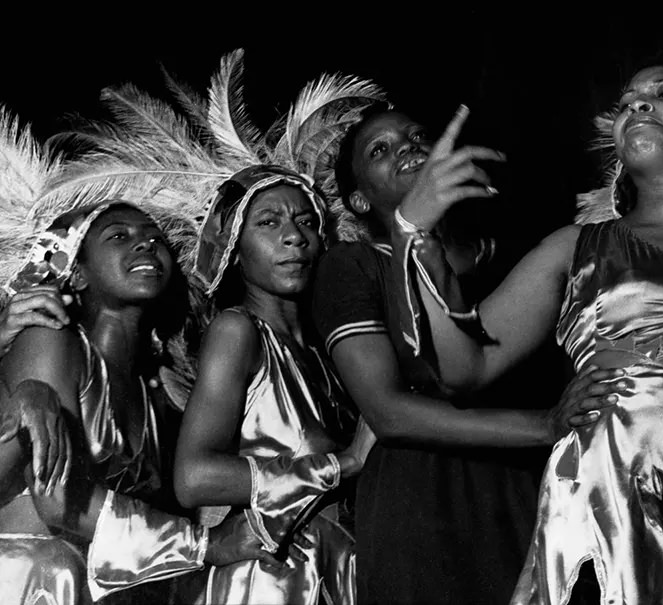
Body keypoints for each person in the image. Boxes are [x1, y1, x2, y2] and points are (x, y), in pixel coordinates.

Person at [389, 43, 663, 603]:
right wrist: (413, 230)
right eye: (628, 101)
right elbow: (466, 368)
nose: (638, 106)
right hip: (612, 485)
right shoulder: (575, 246)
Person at [308, 101, 628, 605]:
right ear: (359, 200)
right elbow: (388, 412)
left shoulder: (525, 258)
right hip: (423, 501)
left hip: (529, 490)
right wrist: (543, 426)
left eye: (417, 136)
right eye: (379, 150)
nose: (407, 148)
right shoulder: (353, 266)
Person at [0, 107, 275, 605]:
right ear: (77, 274)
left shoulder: (159, 392)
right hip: (31, 578)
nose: (145, 244)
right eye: (119, 237)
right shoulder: (50, 338)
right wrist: (207, 546)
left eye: (154, 238)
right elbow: (57, 499)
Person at [172, 164, 374, 605]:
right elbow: (194, 477)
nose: (294, 236)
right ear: (235, 249)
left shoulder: (329, 351)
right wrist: (344, 464)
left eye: (306, 221)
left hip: (336, 571)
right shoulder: (237, 330)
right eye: (268, 222)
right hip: (268, 578)